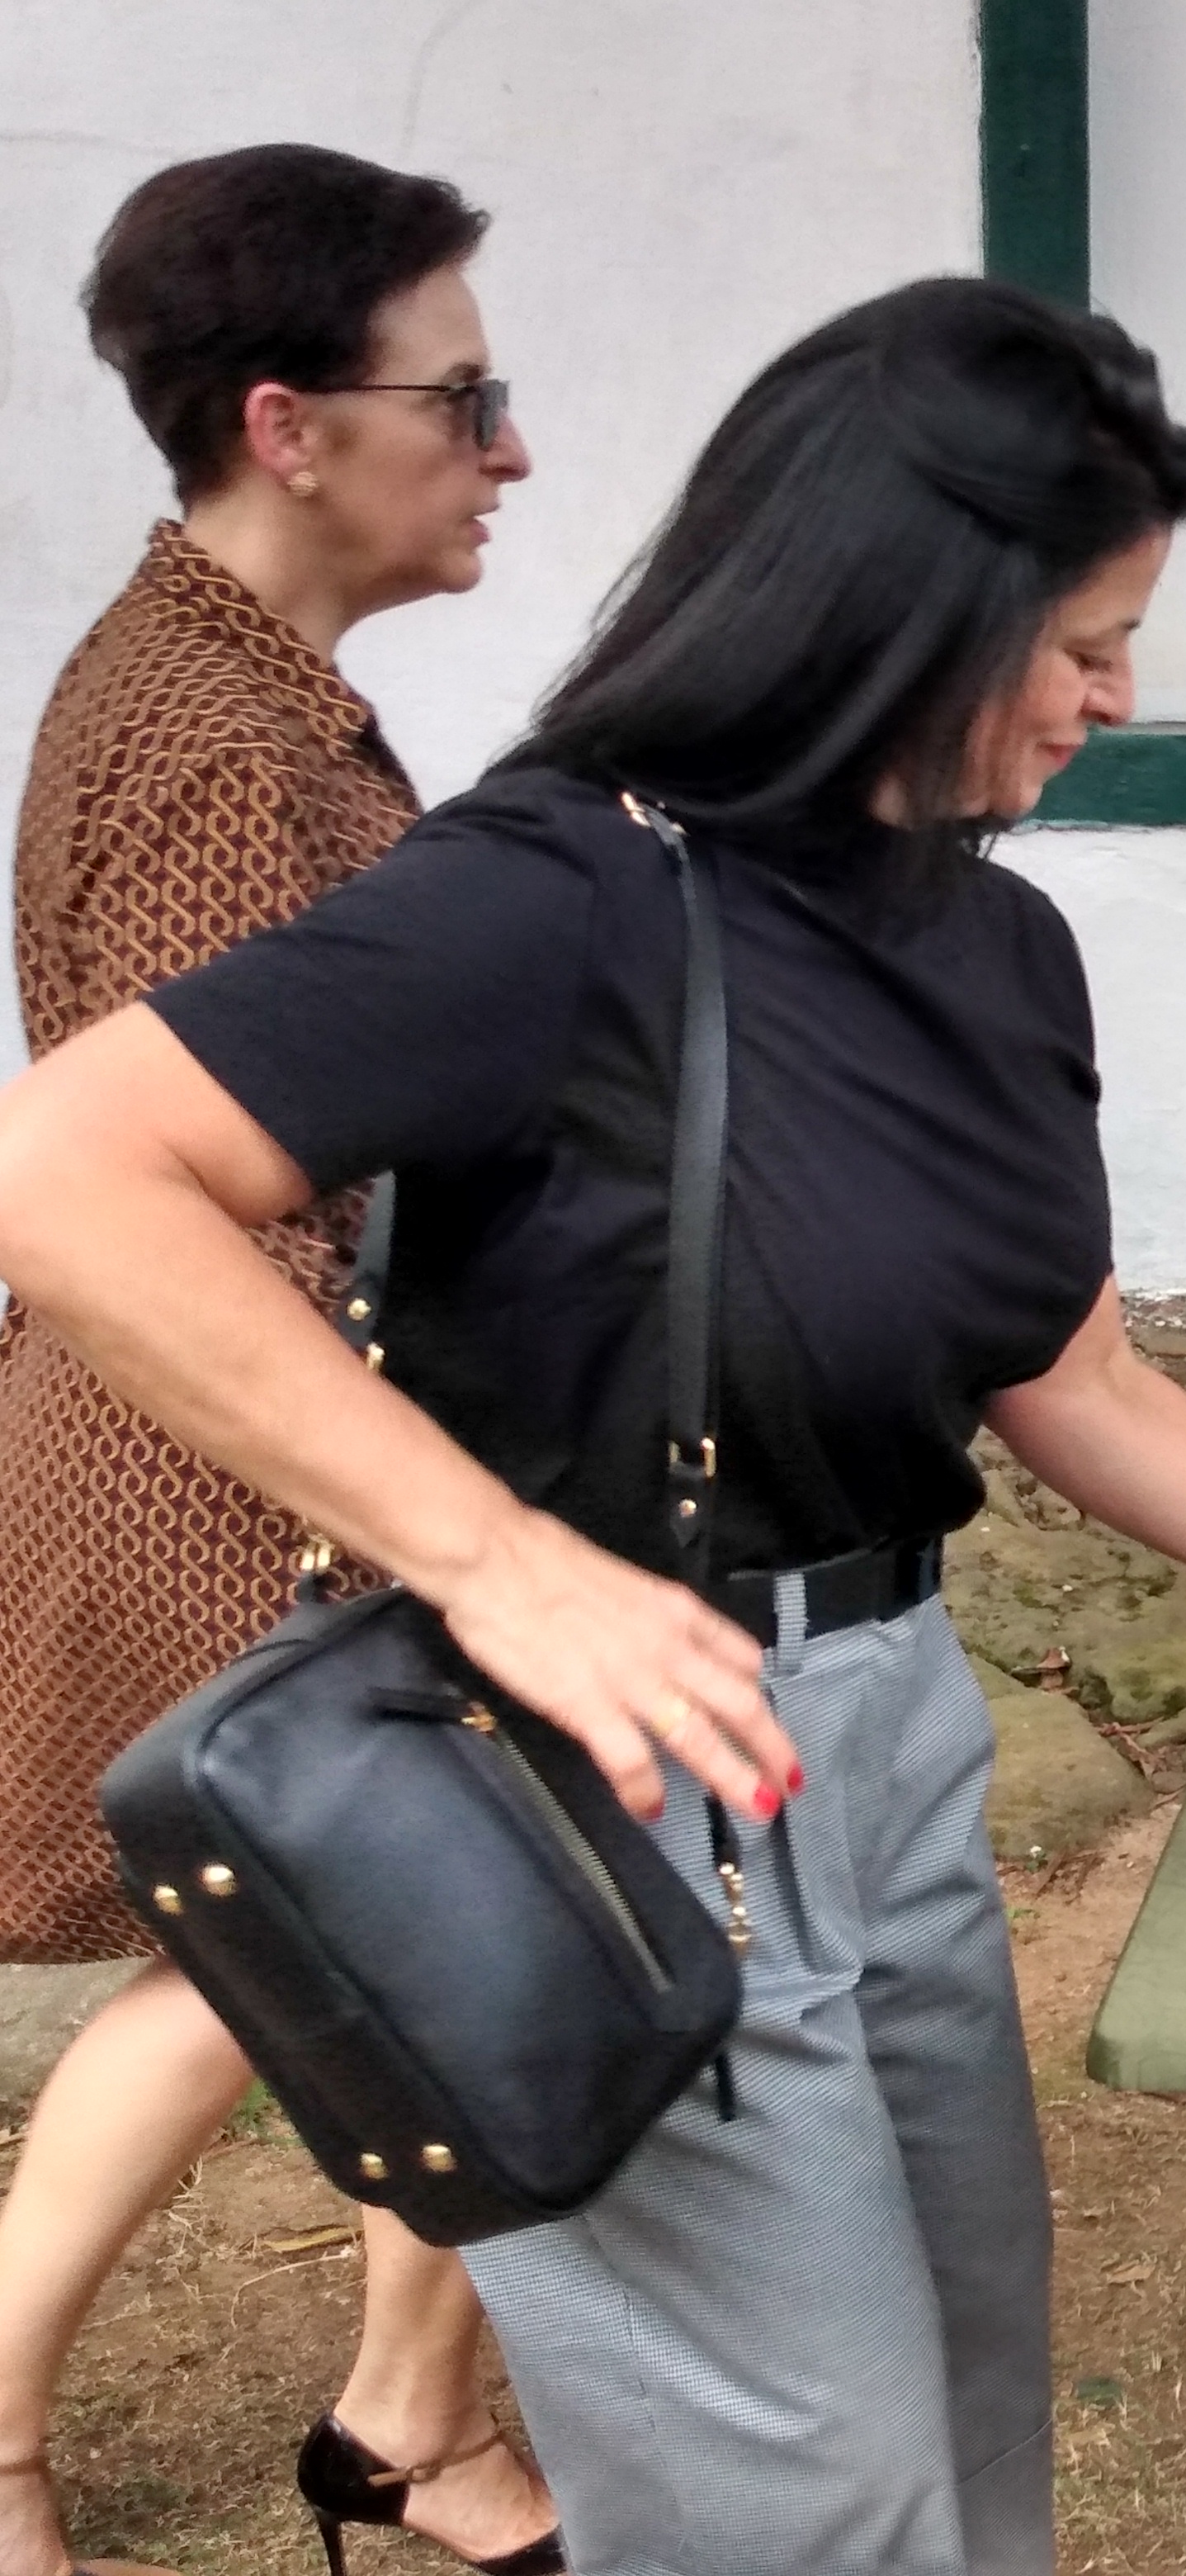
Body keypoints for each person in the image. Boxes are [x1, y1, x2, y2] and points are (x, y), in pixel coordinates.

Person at [0, 275, 1186, 2576]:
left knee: (971, 2428)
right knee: (810, 2507)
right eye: (1082, 640)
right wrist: (500, 1560)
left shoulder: (999, 954)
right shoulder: (567, 894)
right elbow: (71, 1172)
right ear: (895, 608)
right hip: (616, 1772)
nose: (1119, 698)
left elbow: (1065, 1375)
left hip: (886, 1733)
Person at [0, 146, 556, 2576]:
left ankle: (418, 2415)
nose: (508, 447)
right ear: (290, 423)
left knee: (411, 1914)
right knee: (271, 1952)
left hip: (279, 1433)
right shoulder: (217, 745)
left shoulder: (243, 691)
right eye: (469, 394)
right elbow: (196, 1181)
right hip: (226, 1452)